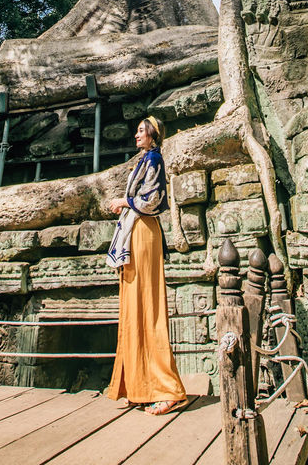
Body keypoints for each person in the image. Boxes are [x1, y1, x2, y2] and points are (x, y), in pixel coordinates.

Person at [106, 115, 188, 415]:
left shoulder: (154, 159)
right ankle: (138, 386)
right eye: (137, 130)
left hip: (143, 231)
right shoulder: (142, 160)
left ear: (153, 135)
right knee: (132, 305)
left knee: (148, 306)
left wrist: (123, 202)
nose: (137, 134)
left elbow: (152, 198)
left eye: (142, 131)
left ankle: (168, 389)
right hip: (135, 231)